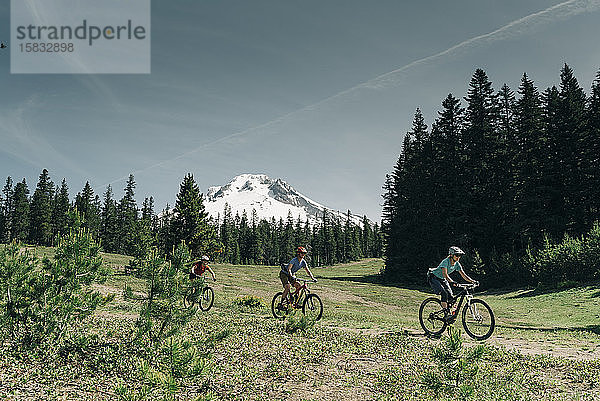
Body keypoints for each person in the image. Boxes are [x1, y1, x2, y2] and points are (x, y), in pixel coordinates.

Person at [427, 246, 477, 320]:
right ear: (451, 255)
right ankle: (446, 314)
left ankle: (449, 313)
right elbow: (445, 275)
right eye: (457, 255)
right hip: (434, 277)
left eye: (459, 256)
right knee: (444, 293)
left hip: (442, 279)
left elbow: (463, 275)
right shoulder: (445, 262)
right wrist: (452, 282)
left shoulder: (457, 264)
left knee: (451, 297)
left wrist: (473, 281)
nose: (458, 257)